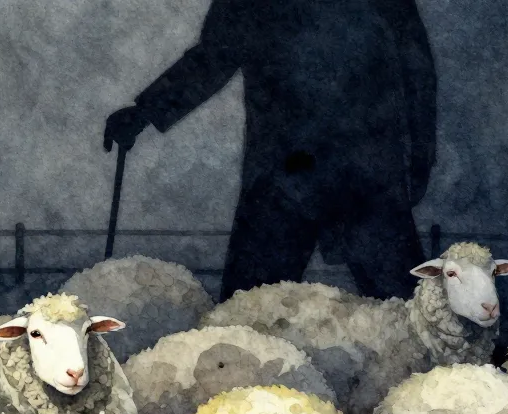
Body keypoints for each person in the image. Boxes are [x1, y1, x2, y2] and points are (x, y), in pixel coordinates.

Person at [104, 0, 437, 301]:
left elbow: (213, 56)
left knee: (245, 317)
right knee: (246, 317)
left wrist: (421, 154)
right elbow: (416, 68)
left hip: (310, 172)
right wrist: (144, 111)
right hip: (327, 172)